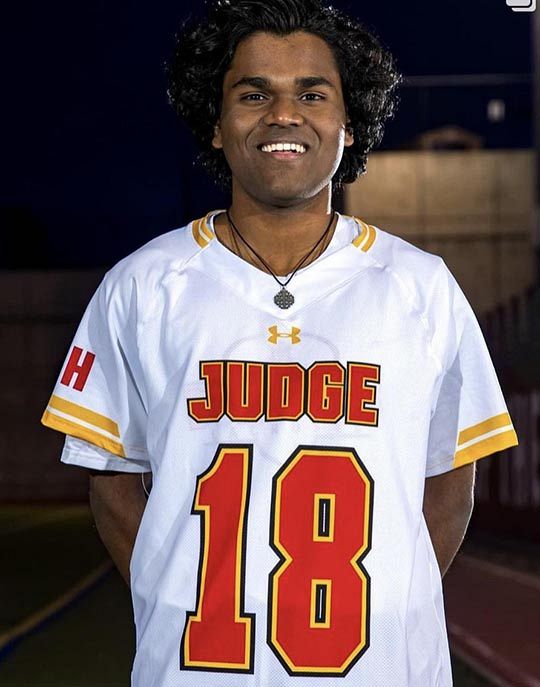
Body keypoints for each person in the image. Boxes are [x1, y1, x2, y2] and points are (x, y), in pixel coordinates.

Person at [41, 0, 519, 685]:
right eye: (254, 94)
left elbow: (450, 481)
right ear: (215, 122)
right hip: (201, 668)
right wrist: (177, 598)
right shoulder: (142, 285)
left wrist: (388, 603)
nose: (284, 115)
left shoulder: (421, 287)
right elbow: (112, 483)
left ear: (349, 123)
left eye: (313, 94)